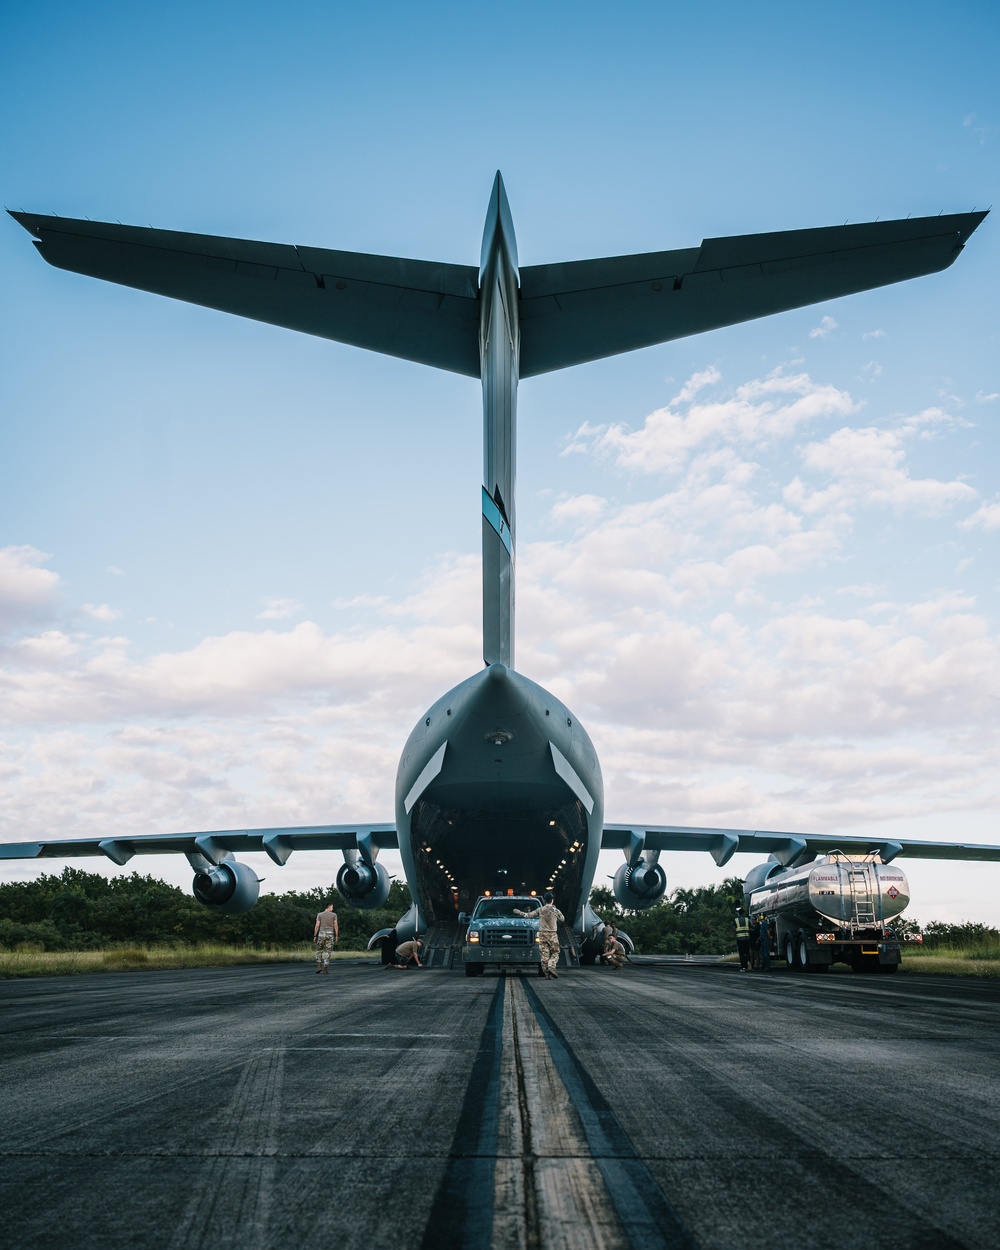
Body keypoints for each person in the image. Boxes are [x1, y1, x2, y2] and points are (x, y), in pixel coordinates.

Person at [516, 892, 563, 979]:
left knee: (544, 955)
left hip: (542, 934)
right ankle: (551, 966)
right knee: (555, 952)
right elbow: (563, 919)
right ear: (552, 900)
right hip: (552, 934)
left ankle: (547, 975)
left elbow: (529, 915)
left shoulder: (540, 910)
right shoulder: (556, 910)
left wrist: (520, 912)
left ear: (544, 900)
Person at [313, 903, 339, 974]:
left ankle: (319, 966)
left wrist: (315, 935)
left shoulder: (320, 915)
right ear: (329, 907)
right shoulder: (334, 915)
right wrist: (336, 935)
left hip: (321, 934)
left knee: (319, 950)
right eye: (332, 907)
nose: (332, 909)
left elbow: (317, 925)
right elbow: (335, 925)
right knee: (328, 951)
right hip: (330, 934)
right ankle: (325, 968)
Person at [734, 908, 751, 972]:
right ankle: (748, 963)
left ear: (739, 913)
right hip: (746, 938)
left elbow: (734, 929)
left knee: (741, 954)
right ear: (743, 913)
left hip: (739, 939)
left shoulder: (736, 920)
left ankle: (743, 967)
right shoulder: (747, 920)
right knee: (747, 952)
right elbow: (750, 928)